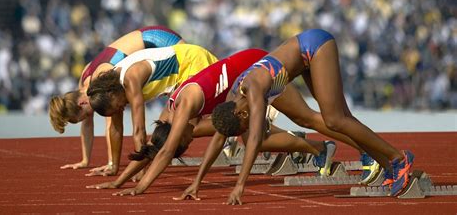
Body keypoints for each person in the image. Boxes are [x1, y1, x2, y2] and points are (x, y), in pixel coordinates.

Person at [86, 48, 337, 195]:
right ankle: (319, 149)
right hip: (240, 84)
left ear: (179, 133)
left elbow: (166, 151)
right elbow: (156, 149)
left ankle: (348, 143)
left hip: (257, 67)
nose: (190, 139)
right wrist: (119, 180)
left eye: (184, 141)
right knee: (252, 138)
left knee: (307, 118)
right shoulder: (171, 115)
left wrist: (140, 188)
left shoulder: (184, 106)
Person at [208, 29, 414, 204]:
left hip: (315, 47)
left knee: (334, 120)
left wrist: (240, 186)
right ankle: (388, 166)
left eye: (244, 125)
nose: (248, 126)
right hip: (305, 60)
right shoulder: (232, 101)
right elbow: (220, 135)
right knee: (342, 120)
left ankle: (399, 159)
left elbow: (254, 140)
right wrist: (197, 183)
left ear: (241, 113)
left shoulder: (252, 90)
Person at [49, 26, 186, 176]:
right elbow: (87, 125)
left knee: (187, 100)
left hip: (159, 39)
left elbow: (114, 126)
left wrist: (113, 164)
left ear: (82, 103)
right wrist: (85, 160)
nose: (90, 116)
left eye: (86, 115)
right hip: (150, 38)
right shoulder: (84, 82)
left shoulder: (101, 81)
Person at [85, 43, 218, 175]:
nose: (121, 109)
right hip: (179, 75)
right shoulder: (114, 89)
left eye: (117, 107)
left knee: (188, 127)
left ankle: (233, 123)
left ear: (111, 94)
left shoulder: (130, 80)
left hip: (190, 61)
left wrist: (141, 170)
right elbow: (116, 129)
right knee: (165, 130)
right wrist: (113, 166)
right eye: (116, 111)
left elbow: (139, 131)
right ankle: (228, 125)